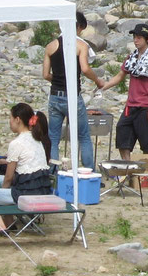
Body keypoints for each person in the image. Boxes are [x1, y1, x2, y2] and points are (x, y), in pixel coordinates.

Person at [42, 11, 106, 168]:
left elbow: (45, 74)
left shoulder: (50, 46)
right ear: (77, 27)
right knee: (83, 136)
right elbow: (85, 68)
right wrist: (97, 80)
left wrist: (57, 80)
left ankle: (54, 172)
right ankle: (88, 171)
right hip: (72, 96)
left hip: (55, 96)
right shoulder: (81, 46)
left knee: (54, 138)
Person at [0, 104, 53, 233]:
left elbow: (8, 177)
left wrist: (1, 190)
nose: (10, 122)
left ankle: (0, 227)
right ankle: (9, 223)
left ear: (17, 119)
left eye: (10, 118)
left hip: (27, 193)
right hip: (42, 188)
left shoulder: (16, 143)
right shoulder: (37, 139)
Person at [101, 24, 148, 161]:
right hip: (131, 105)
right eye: (135, 37)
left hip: (145, 106)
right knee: (122, 136)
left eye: (139, 38)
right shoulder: (131, 57)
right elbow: (120, 76)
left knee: (147, 145)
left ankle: (146, 174)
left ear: (147, 39)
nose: (136, 40)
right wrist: (104, 86)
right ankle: (128, 168)